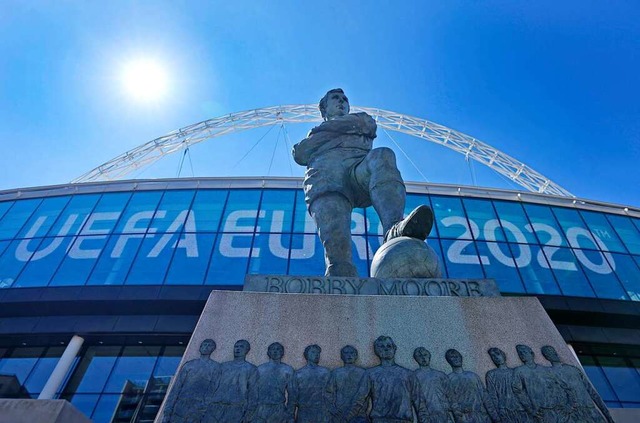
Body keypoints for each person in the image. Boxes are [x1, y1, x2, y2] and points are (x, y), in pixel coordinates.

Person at [292, 88, 434, 276]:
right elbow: (299, 154)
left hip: (358, 169)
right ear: (324, 109)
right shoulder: (346, 126)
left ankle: (393, 229)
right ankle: (339, 272)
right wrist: (337, 130)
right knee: (339, 264)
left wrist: (321, 135)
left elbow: (367, 124)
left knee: (383, 156)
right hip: (325, 178)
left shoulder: (358, 120)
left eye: (345, 99)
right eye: (335, 98)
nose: (341, 101)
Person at [345, 336, 415, 422]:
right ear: (376, 350)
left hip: (403, 420)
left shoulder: (408, 374)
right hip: (379, 420)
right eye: (381, 346)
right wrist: (346, 418)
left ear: (394, 348)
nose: (386, 349)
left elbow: (420, 402)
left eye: (389, 346)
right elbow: (359, 399)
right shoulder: (370, 373)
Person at [540, 345, 614, 423]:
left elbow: (592, 393)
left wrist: (607, 415)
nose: (553, 354)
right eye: (549, 353)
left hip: (591, 411)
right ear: (546, 357)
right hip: (574, 414)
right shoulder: (549, 373)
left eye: (553, 351)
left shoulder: (574, 369)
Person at [162, 339, 220, 423]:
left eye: (209, 345)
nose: (206, 347)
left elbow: (213, 390)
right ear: (200, 348)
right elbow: (176, 388)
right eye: (204, 344)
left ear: (213, 349)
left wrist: (202, 409)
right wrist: (168, 409)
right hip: (179, 407)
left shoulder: (215, 367)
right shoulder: (189, 365)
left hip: (197, 409)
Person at [512, 344, 572, 423]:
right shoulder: (519, 371)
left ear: (532, 353)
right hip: (541, 411)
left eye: (524, 352)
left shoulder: (545, 369)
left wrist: (568, 404)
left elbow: (562, 387)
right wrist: (530, 409)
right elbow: (518, 391)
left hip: (558, 408)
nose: (522, 354)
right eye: (520, 353)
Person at [206, 340, 258, 423]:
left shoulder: (251, 369)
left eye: (241, 347)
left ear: (247, 350)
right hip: (215, 406)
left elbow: (253, 392)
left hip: (235, 409)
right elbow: (212, 386)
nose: (238, 349)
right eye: (236, 346)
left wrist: (249, 412)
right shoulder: (223, 366)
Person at [445, 349, 497, 423]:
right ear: (448, 360)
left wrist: (495, 417)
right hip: (465, 418)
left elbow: (485, 397)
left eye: (457, 356)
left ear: (461, 357)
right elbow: (450, 402)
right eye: (452, 357)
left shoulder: (473, 376)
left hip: (482, 416)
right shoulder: (449, 379)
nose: (456, 358)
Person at [254, 342, 295, 423]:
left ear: (282, 353)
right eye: (273, 349)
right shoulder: (260, 369)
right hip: (261, 408)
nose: (275, 351)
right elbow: (253, 391)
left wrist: (290, 413)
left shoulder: (288, 370)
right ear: (268, 352)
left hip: (279, 408)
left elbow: (292, 393)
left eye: (278, 349)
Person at [325, 345, 367, 423]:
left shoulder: (363, 373)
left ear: (356, 355)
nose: (349, 355)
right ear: (342, 356)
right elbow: (328, 393)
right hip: (339, 415)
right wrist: (332, 409)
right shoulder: (336, 373)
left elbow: (363, 395)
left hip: (359, 415)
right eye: (346, 353)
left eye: (352, 353)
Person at [485, 347, 528, 423]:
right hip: (504, 410)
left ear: (503, 355)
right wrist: (496, 414)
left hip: (521, 408)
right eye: (493, 356)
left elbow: (523, 391)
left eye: (498, 354)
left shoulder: (515, 371)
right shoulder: (491, 374)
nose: (496, 358)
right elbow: (492, 395)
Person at [291, 344, 332, 422]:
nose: (316, 355)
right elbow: (293, 397)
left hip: (322, 412)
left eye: (318, 353)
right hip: (304, 412)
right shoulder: (299, 374)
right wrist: (290, 415)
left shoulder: (326, 372)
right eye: (313, 352)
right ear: (306, 355)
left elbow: (331, 393)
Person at [411, 347, 450, 423]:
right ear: (416, 359)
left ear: (429, 356)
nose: (423, 358)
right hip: (426, 416)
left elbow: (450, 395)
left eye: (425, 355)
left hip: (444, 414)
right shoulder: (414, 376)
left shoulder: (440, 375)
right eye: (420, 356)